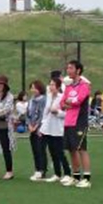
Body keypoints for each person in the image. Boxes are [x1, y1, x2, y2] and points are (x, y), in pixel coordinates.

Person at [61, 60, 92, 188]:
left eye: (71, 68)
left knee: (81, 149)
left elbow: (78, 101)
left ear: (78, 70)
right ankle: (75, 176)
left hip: (79, 122)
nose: (68, 70)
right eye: (67, 68)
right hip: (68, 122)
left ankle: (86, 178)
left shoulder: (84, 85)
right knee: (71, 150)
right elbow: (62, 103)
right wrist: (68, 102)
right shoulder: (68, 87)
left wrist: (70, 102)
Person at [40, 77, 72, 184]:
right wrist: (42, 126)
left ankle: (67, 173)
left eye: (53, 85)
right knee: (52, 152)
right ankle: (57, 174)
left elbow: (67, 113)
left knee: (60, 152)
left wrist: (57, 112)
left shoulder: (62, 97)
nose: (51, 87)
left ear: (58, 87)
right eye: (50, 84)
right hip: (48, 128)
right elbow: (45, 113)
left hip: (58, 128)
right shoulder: (48, 97)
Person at [27, 80, 47, 182]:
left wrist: (36, 126)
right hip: (32, 128)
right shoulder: (31, 100)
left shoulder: (44, 100)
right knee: (34, 150)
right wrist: (29, 125)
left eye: (35, 88)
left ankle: (42, 170)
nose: (33, 90)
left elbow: (42, 114)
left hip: (40, 129)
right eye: (32, 88)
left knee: (40, 149)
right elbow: (28, 114)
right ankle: (37, 169)